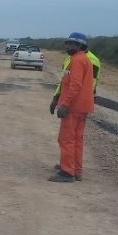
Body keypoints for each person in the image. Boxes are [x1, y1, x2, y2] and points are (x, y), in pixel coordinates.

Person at [49, 32, 95, 182]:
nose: (67, 46)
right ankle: (76, 170)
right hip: (82, 107)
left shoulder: (77, 61)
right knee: (76, 139)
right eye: (67, 43)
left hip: (73, 107)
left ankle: (67, 172)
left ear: (80, 45)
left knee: (66, 139)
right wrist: (57, 99)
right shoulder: (83, 59)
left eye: (72, 44)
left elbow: (75, 86)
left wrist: (64, 104)